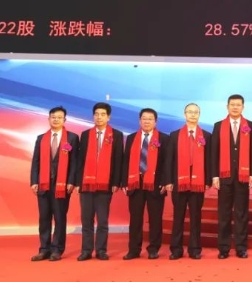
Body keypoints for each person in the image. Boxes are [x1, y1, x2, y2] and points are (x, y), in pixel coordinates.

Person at [210, 94, 252, 259]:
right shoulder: (218, 126)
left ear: (243, 107)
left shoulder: (250, 125)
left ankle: (241, 247)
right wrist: (214, 175)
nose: (235, 107)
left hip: (243, 176)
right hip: (224, 177)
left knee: (241, 214)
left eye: (238, 105)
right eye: (232, 104)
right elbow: (214, 152)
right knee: (223, 214)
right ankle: (223, 248)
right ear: (227, 106)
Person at [30, 106, 79, 262]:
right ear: (49, 119)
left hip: (62, 185)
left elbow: (74, 162)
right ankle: (44, 249)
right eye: (53, 117)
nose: (56, 119)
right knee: (44, 218)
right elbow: (36, 161)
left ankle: (57, 249)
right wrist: (34, 181)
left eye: (59, 117)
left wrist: (71, 181)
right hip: (43, 184)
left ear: (64, 120)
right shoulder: (41, 138)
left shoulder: (72, 138)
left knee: (59, 218)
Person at [164, 103, 211, 260]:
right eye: (189, 112)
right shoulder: (174, 135)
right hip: (179, 182)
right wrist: (168, 180)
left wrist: (208, 180)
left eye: (195, 112)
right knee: (178, 216)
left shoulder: (206, 136)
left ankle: (195, 249)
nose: (192, 114)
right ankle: (176, 249)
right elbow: (169, 160)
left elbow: (209, 159)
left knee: (196, 217)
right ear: (184, 114)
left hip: (198, 183)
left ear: (199, 115)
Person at [77, 102, 124, 261]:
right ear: (93, 116)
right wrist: (78, 182)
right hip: (86, 184)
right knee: (86, 220)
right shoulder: (85, 135)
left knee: (102, 220)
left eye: (103, 114)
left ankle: (101, 250)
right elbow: (80, 160)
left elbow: (118, 159)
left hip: (106, 184)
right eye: (96, 114)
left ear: (108, 117)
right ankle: (86, 250)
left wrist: (116, 182)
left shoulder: (116, 135)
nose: (99, 117)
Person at [122, 108, 170, 260]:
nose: (147, 121)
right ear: (139, 121)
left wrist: (165, 181)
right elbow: (125, 161)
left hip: (156, 184)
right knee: (135, 219)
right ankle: (133, 250)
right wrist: (124, 182)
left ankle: (153, 249)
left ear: (155, 121)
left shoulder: (164, 138)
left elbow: (167, 162)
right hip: (135, 183)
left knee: (155, 218)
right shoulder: (131, 138)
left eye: (150, 119)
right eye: (144, 118)